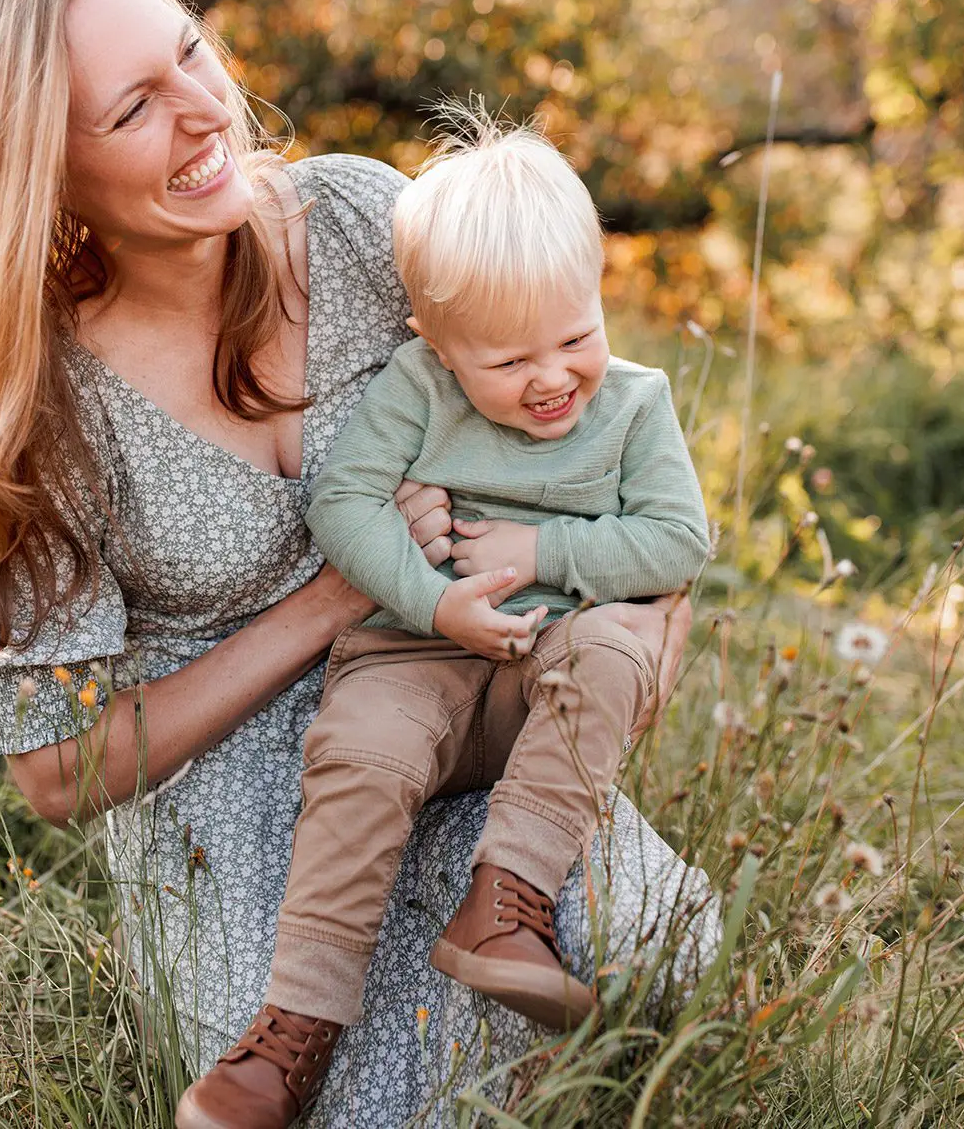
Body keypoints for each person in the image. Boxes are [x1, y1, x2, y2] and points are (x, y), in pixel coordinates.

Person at [0, 0, 718, 1126]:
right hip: (235, 785)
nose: (205, 109)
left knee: (639, 943)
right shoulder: (31, 405)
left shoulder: (359, 222)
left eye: (191, 53)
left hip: (460, 679)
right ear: (35, 171)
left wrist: (632, 628)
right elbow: (58, 772)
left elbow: (584, 401)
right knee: (363, 1077)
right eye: (132, 110)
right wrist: (330, 599)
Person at [176, 117, 712, 1129]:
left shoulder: (636, 406)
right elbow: (343, 505)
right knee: (360, 751)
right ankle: (294, 1026)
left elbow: (679, 539)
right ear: (435, 340)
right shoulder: (416, 390)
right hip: (413, 653)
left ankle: (504, 901)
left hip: (534, 679)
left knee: (609, 643)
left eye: (574, 335)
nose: (552, 377)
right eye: (509, 359)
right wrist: (433, 601)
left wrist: (540, 556)